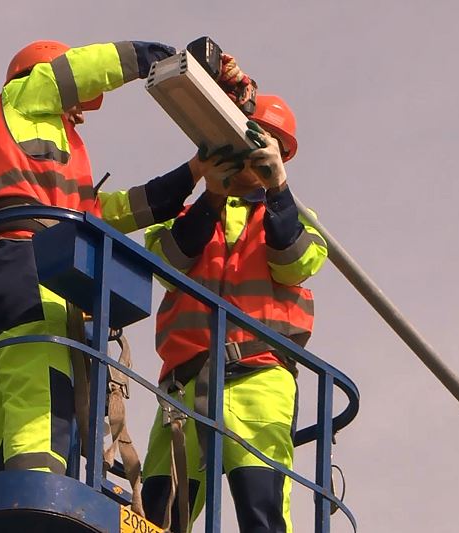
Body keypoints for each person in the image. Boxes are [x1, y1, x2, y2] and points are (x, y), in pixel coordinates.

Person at [0, 39, 255, 492]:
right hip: (30, 270)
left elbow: (115, 212)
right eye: (78, 105)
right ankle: (36, 499)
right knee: (42, 397)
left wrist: (195, 171)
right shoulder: (24, 96)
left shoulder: (36, 160)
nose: (81, 113)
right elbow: (83, 69)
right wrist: (162, 59)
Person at [140, 95, 327, 532]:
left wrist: (279, 188)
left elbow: (294, 261)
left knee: (260, 511)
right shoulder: (185, 218)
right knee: (155, 519)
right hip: (183, 388)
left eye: (265, 146)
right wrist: (212, 197)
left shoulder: (297, 218)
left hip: (259, 378)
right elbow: (167, 265)